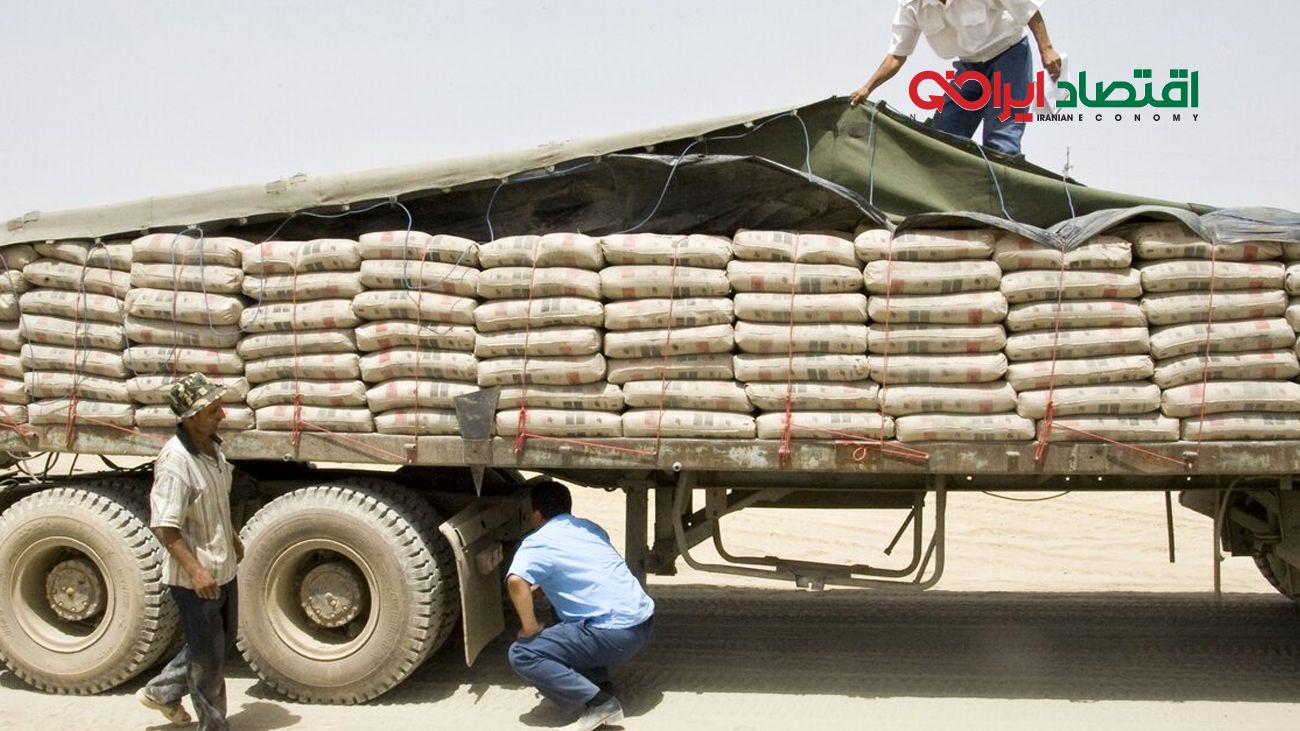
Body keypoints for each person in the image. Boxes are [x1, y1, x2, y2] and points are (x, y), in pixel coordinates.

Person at [136, 373, 242, 730]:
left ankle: (161, 691)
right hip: (197, 579)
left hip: (223, 567)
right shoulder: (175, 462)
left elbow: (214, 501)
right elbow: (165, 526)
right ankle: (213, 725)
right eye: (214, 410)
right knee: (206, 661)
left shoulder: (213, 448)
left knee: (217, 645)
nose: (222, 415)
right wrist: (196, 571)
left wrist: (232, 536)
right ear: (191, 417)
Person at [506, 481, 655, 731]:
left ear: (536, 514)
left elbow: (515, 582)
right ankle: (599, 685)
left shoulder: (538, 541)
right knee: (560, 611)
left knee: (523, 654)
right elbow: (587, 570)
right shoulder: (589, 527)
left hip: (613, 635)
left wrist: (529, 628)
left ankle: (601, 703)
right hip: (643, 625)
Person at [850, 0, 1063, 155]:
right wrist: (867, 88)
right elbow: (897, 55)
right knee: (943, 137)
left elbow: (1027, 8)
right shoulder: (912, 5)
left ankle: (1001, 200)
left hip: (1009, 54)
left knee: (1001, 143)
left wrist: (1046, 48)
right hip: (970, 66)